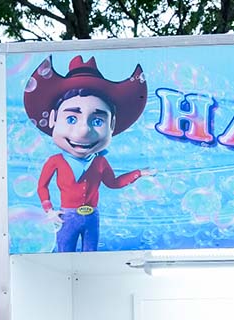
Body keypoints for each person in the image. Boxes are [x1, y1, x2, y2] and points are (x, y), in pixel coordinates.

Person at [23, 55, 152, 252]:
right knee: (64, 256)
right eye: (72, 119)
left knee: (91, 257)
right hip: (67, 217)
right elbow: (42, 186)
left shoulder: (100, 162)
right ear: (52, 119)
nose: (84, 131)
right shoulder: (55, 161)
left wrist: (138, 173)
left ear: (112, 125)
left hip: (92, 217)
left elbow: (113, 183)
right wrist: (49, 211)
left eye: (98, 121)